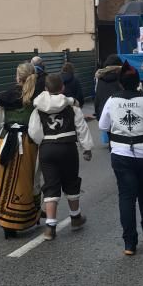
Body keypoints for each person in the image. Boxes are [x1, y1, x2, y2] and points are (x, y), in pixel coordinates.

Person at [98, 61, 143, 256]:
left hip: (121, 153)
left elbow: (103, 126)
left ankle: (129, 242)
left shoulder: (112, 101)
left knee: (126, 196)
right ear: (138, 82)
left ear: (120, 83)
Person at [28, 73, 94, 241]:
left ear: (45, 89)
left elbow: (34, 132)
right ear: (62, 88)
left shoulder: (38, 109)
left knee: (51, 184)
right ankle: (75, 217)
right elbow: (81, 127)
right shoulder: (72, 107)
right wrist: (87, 148)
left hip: (48, 149)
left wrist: (44, 143)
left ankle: (50, 226)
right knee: (71, 182)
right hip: (67, 147)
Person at [0, 62, 42, 238]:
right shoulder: (37, 95)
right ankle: (27, 216)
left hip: (6, 139)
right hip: (26, 141)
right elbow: (36, 126)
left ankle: (6, 222)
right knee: (26, 179)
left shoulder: (6, 95)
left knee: (2, 178)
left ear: (17, 76)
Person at [94, 54, 123, 121]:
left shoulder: (100, 79)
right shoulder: (121, 80)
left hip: (103, 117)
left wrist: (98, 117)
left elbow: (97, 100)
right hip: (118, 118)